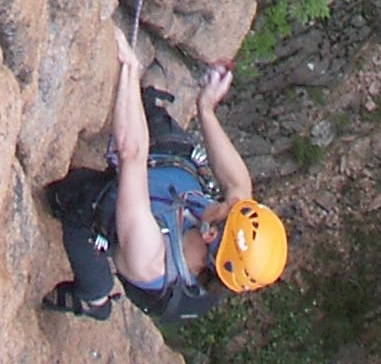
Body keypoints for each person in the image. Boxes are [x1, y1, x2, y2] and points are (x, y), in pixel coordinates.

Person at [43, 27, 287, 323]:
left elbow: (131, 154)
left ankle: (94, 296)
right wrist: (206, 108)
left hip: (134, 210)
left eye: (230, 208)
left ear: (210, 234)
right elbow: (238, 185)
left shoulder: (149, 257)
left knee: (72, 196)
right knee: (155, 123)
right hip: (169, 173)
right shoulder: (221, 239)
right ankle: (151, 104)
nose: (234, 200)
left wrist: (129, 69)